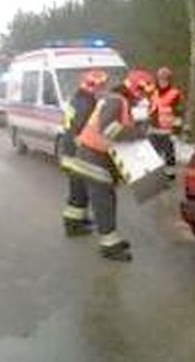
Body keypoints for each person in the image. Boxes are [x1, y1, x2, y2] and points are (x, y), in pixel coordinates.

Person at [69, 69, 155, 262]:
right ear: (135, 88)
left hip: (92, 156)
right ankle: (109, 246)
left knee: (106, 200)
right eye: (142, 92)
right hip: (93, 158)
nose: (142, 97)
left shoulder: (116, 100)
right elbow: (109, 130)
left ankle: (111, 239)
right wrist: (138, 133)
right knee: (104, 202)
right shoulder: (117, 101)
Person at [59, 69, 109, 236]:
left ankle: (77, 219)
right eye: (100, 86)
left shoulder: (79, 98)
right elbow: (83, 129)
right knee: (79, 189)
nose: (102, 89)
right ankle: (73, 226)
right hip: (77, 150)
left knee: (78, 187)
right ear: (91, 85)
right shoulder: (86, 104)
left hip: (71, 149)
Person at [149, 66, 184, 179]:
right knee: (153, 154)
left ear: (169, 80)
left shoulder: (175, 93)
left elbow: (179, 113)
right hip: (154, 129)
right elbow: (150, 109)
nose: (162, 81)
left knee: (169, 154)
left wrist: (176, 132)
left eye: (165, 79)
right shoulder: (153, 92)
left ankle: (170, 174)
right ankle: (155, 175)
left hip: (168, 130)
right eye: (160, 79)